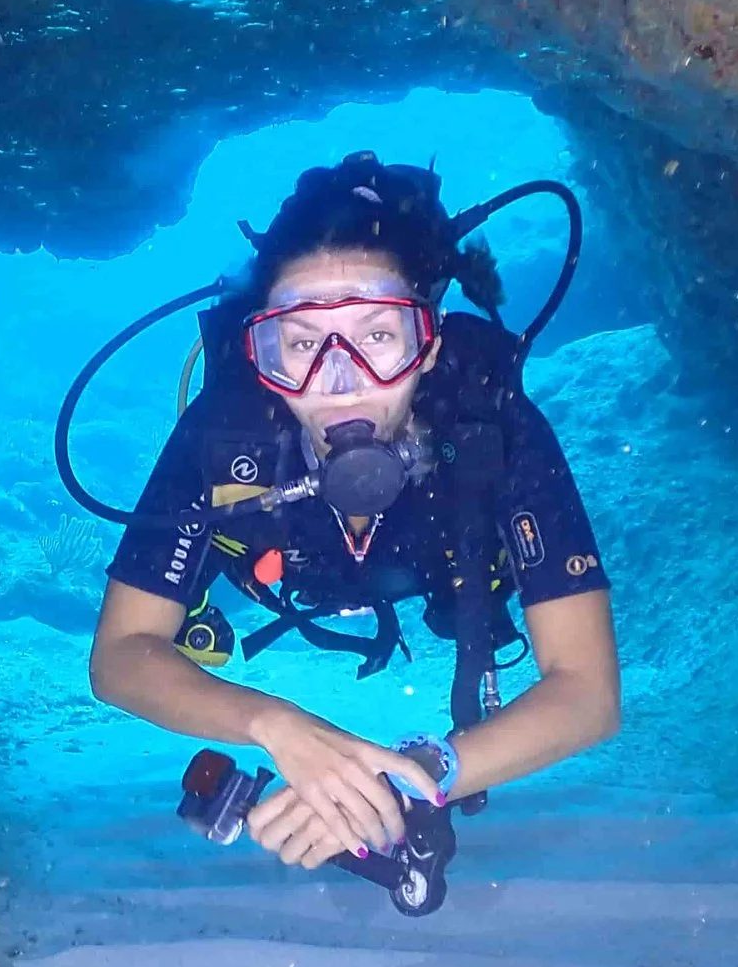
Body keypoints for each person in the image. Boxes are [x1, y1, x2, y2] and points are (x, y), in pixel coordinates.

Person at [89, 152, 620, 873]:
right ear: (262, 357)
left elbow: (587, 691)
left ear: (427, 343)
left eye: (378, 336)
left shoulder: (490, 426)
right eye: (302, 344)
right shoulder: (226, 438)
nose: (340, 383)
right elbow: (121, 656)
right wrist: (274, 724)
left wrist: (422, 772)